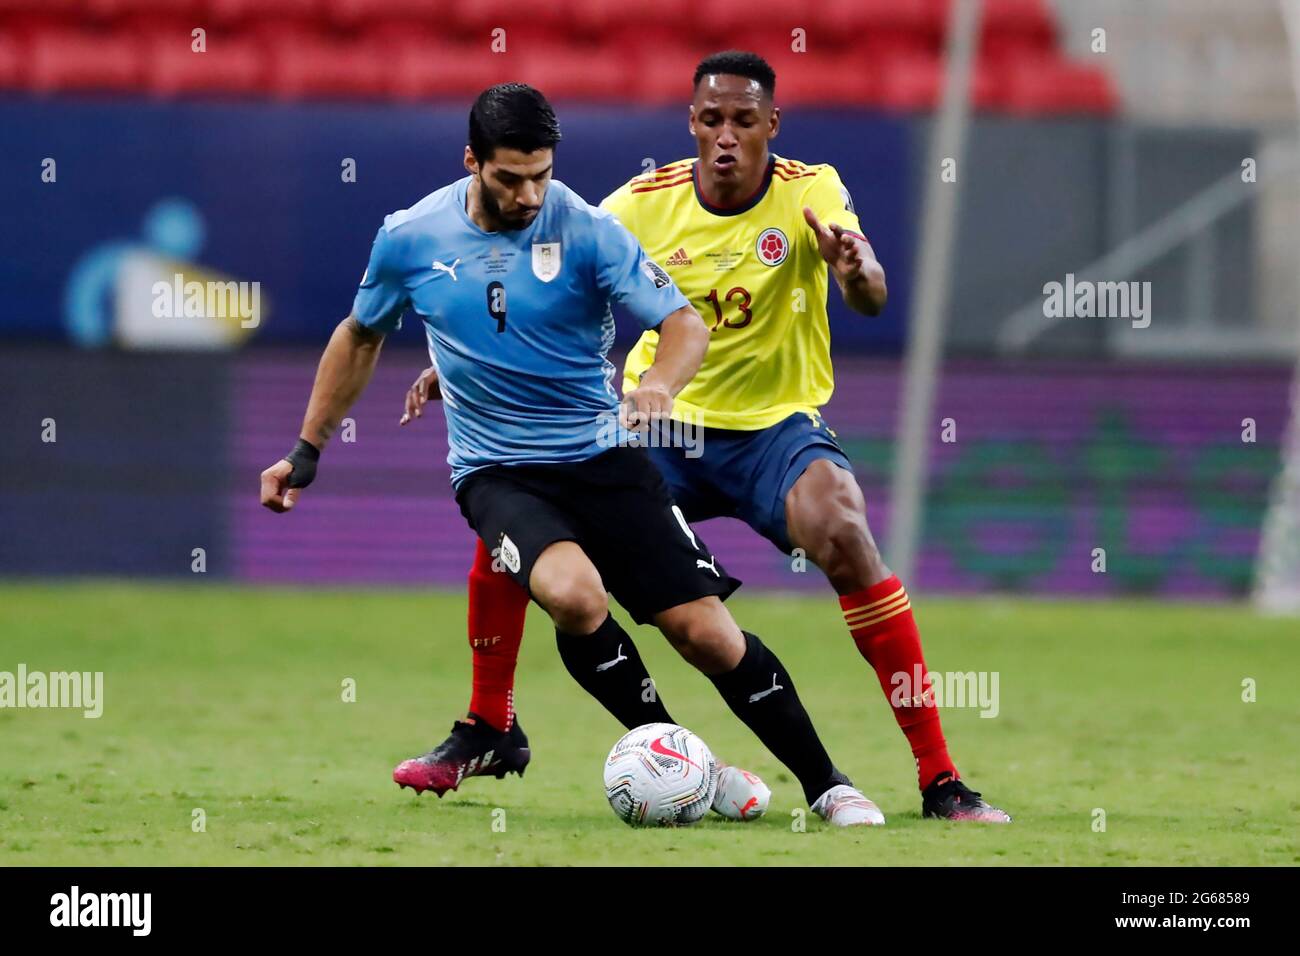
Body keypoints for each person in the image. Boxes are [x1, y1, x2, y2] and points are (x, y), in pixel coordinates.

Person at [402, 53, 1010, 823]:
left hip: (772, 429)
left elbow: (871, 296)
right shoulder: (639, 203)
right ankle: (491, 722)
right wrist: (446, 360)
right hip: (659, 419)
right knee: (520, 512)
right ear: (692, 124)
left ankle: (940, 778)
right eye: (712, 120)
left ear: (771, 128)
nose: (726, 136)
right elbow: (534, 276)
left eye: (744, 121)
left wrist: (853, 268)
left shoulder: (810, 191)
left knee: (846, 529)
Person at [262, 82, 884, 827]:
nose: (529, 195)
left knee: (707, 635)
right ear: (472, 162)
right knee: (574, 594)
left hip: (602, 456)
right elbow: (360, 335)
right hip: (497, 472)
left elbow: (684, 323)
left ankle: (828, 784)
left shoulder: (589, 230)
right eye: (509, 178)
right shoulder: (411, 236)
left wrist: (657, 386)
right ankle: (692, 765)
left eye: (542, 175)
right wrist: (307, 449)